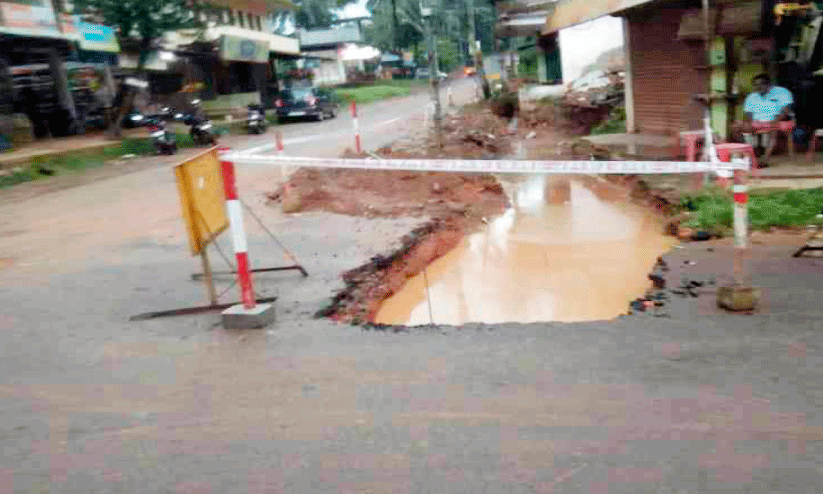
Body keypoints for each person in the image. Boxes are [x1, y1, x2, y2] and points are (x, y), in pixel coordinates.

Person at [732, 74, 795, 163]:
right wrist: (749, 125)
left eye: (762, 84)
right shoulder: (751, 97)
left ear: (769, 84)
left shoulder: (782, 92)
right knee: (736, 126)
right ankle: (750, 155)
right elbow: (749, 115)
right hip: (757, 122)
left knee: (773, 127)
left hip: (779, 120)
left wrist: (775, 120)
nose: (759, 87)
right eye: (756, 85)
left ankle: (765, 160)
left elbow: (786, 111)